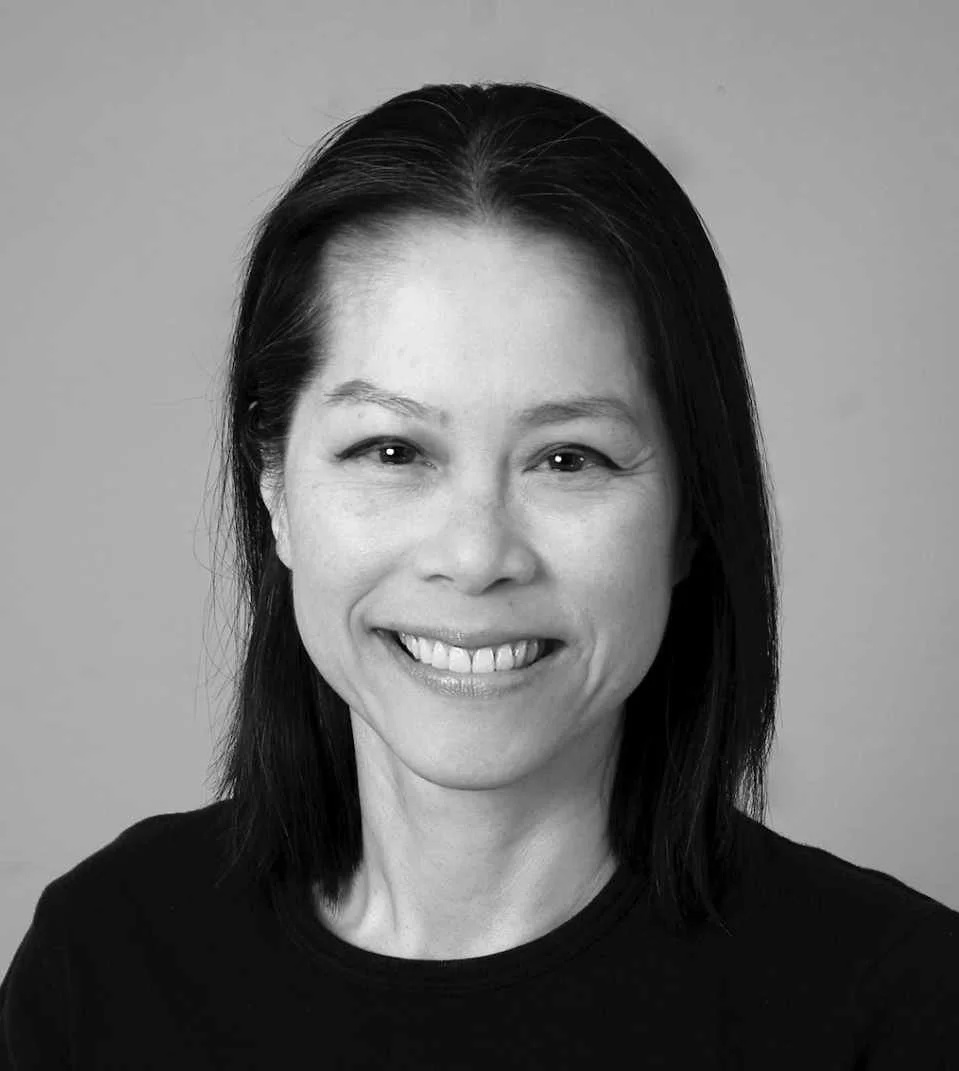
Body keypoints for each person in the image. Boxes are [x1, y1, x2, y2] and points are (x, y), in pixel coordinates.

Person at [1, 80, 957, 1068]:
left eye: (566, 458)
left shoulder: (899, 1012)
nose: (475, 554)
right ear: (276, 489)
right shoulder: (108, 964)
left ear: (688, 518)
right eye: (389, 451)